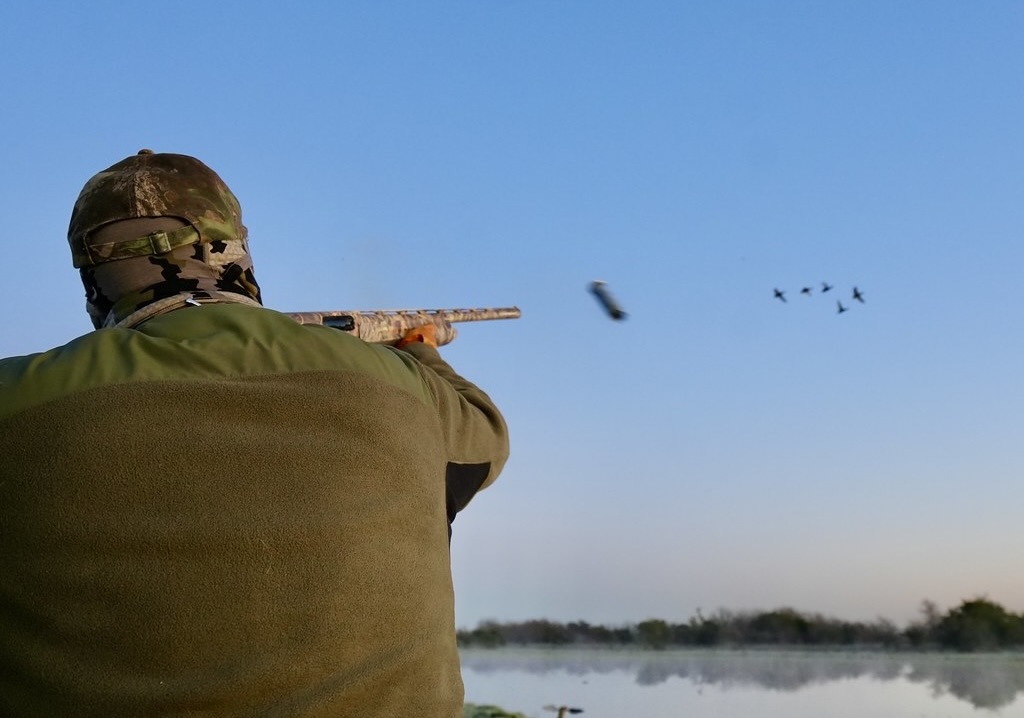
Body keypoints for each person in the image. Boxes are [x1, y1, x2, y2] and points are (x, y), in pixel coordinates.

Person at [0, 150, 509, 716]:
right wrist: (422, 352)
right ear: (236, 250)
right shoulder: (410, 391)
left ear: (93, 278)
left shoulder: (15, 394)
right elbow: (484, 440)